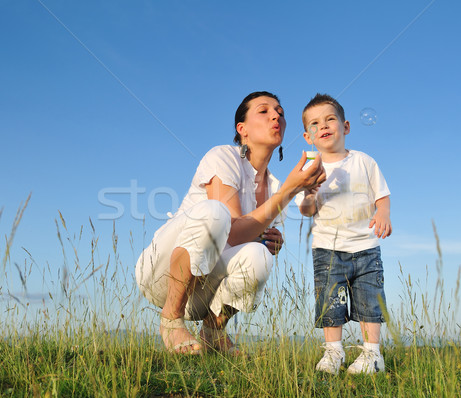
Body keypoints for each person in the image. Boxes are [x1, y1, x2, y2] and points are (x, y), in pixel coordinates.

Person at [136, 91, 326, 355]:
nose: (276, 116)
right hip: (164, 276)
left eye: (280, 113)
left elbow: (248, 242)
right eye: (264, 111)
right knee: (216, 212)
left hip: (203, 294)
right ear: (242, 129)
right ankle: (170, 320)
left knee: (260, 255)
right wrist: (290, 192)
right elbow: (233, 232)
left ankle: (213, 332)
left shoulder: (273, 187)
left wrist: (271, 240)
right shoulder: (223, 156)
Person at [297, 93, 392, 374]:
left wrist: (383, 213)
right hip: (327, 248)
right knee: (330, 302)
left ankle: (372, 355)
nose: (323, 126)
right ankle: (333, 353)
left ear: (346, 126)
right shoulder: (310, 169)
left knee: (369, 301)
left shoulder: (364, 161)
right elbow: (306, 209)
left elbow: (382, 194)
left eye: (330, 119)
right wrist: (310, 194)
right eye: (314, 124)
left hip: (365, 246)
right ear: (307, 136)